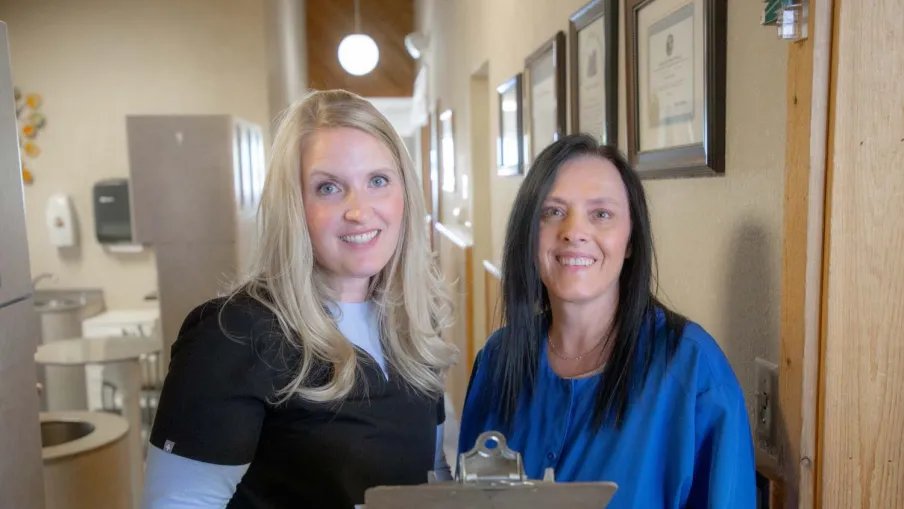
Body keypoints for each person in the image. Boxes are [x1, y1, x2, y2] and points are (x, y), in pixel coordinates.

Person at [142, 89, 458, 509]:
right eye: (328, 188)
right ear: (293, 207)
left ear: (405, 193)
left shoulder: (413, 322)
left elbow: (431, 477)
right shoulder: (234, 335)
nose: (360, 211)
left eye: (378, 181)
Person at [458, 134, 755, 508]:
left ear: (630, 240)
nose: (574, 232)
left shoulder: (693, 372)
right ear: (528, 232)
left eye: (601, 214)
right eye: (552, 212)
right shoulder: (497, 360)